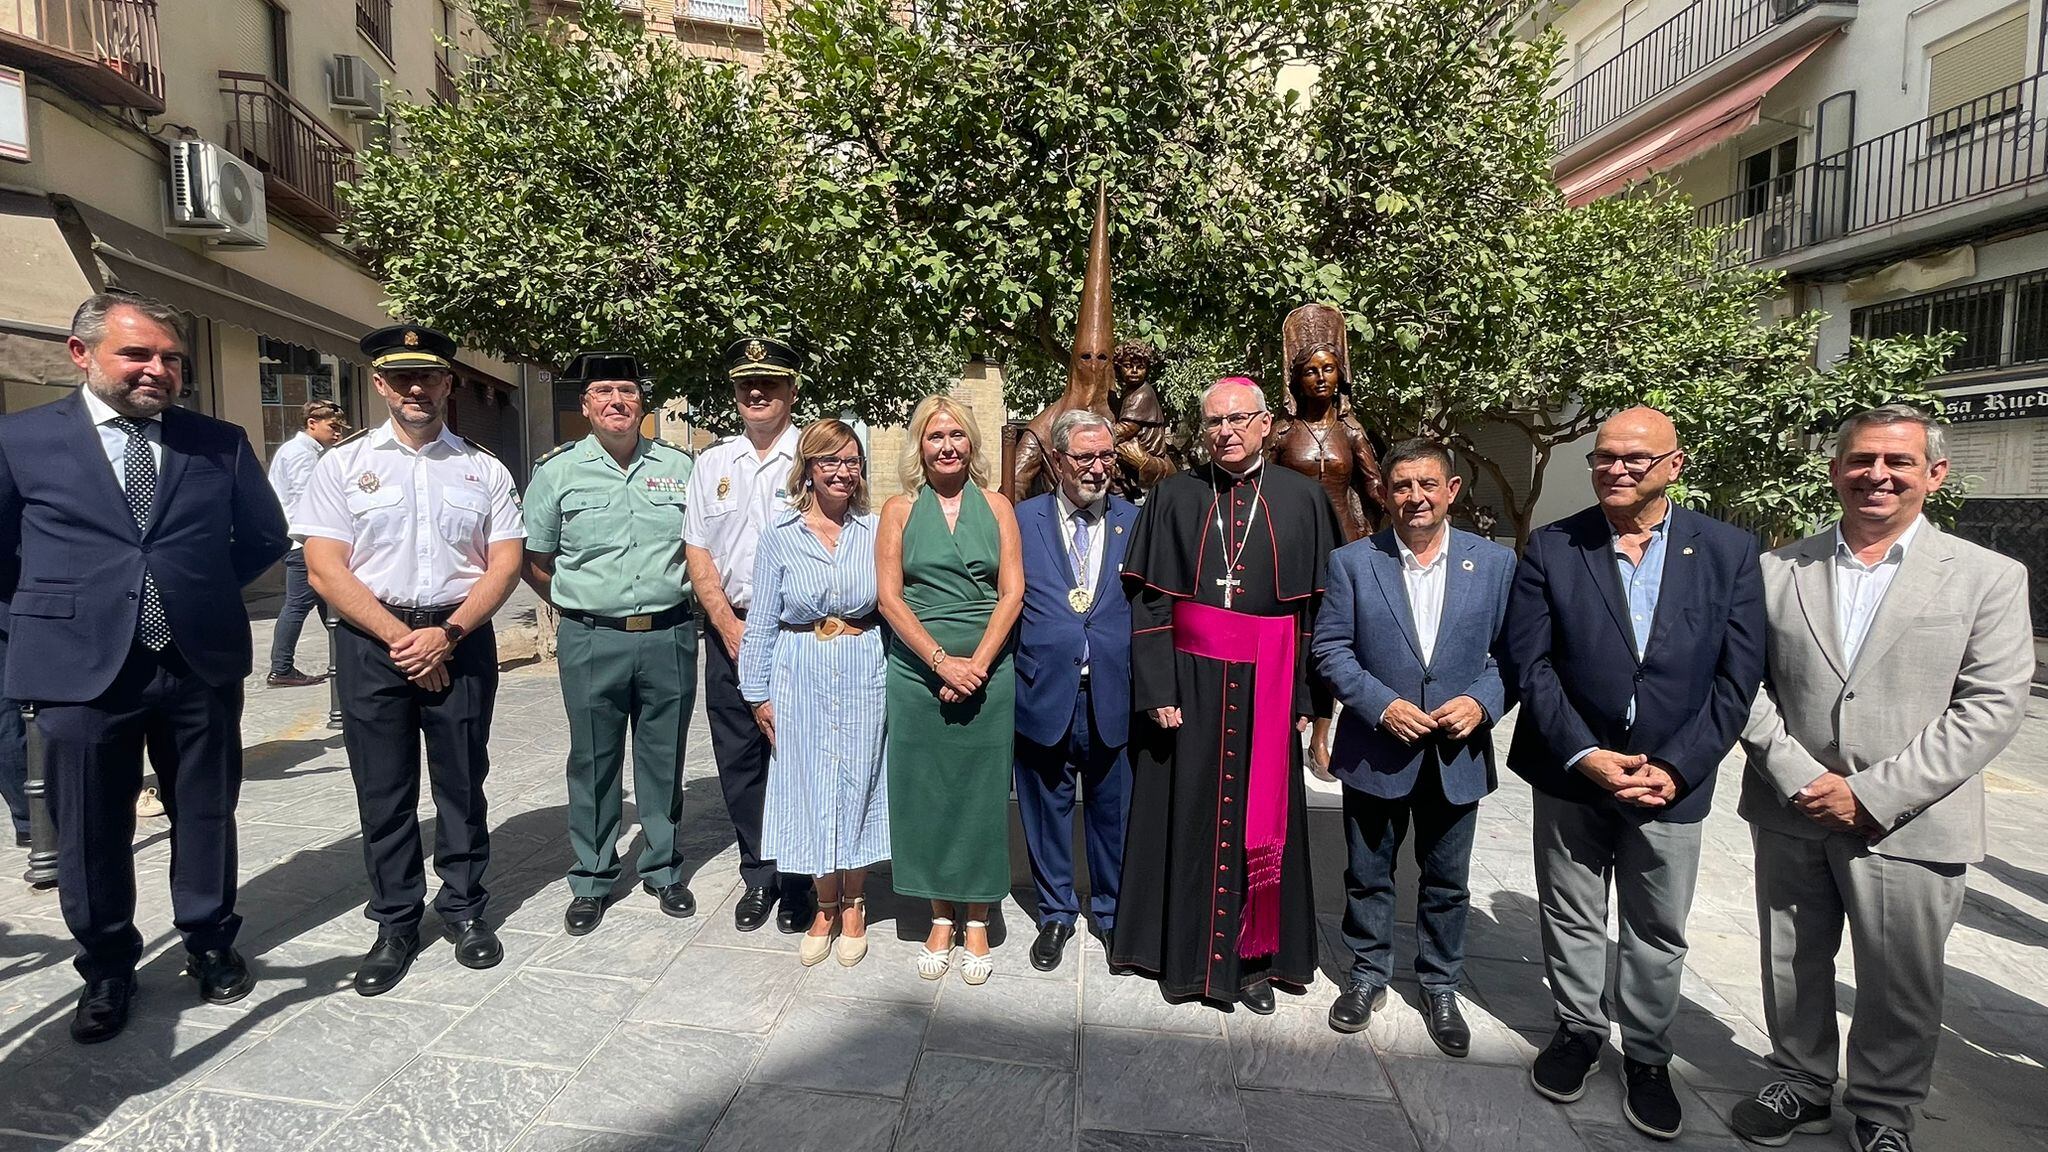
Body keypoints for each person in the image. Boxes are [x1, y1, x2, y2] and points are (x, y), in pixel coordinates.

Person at [1729, 406, 2031, 1152]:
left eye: (1899, 462)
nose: (1878, 475)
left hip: (1914, 818)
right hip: (1794, 806)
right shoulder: (1776, 571)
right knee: (1791, 957)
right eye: (1862, 460)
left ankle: (1883, 1110)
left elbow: (1991, 705)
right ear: (1835, 470)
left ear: (1935, 474)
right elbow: (1742, 685)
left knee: (1900, 977)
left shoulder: (1989, 577)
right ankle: (1800, 1080)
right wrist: (1799, 775)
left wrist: (1871, 793)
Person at [0, 292, 289, 1042]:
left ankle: (209, 939)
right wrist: (55, 611)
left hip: (196, 661)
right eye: (137, 353)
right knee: (90, 826)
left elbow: (264, 536)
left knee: (205, 810)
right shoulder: (20, 439)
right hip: (78, 669)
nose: (157, 369)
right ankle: (106, 966)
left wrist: (196, 589)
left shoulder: (217, 442)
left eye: (171, 358)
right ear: (81, 353)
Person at [1501, 406, 1764, 1140]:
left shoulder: (1729, 551)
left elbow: (1737, 679)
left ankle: (1647, 1055)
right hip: (1573, 769)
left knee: (1657, 926)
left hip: (1669, 780)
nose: (1616, 468)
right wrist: (1584, 753)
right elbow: (1530, 662)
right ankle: (1578, 1031)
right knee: (1571, 911)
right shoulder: (1555, 545)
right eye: (1604, 456)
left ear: (1674, 465)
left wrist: (1678, 767)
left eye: (1635, 458)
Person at [295, 323, 524, 997]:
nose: (415, 389)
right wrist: (404, 638)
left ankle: (464, 908)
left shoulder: (483, 467)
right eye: (401, 377)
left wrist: (446, 634)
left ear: (448, 382)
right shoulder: (342, 465)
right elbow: (324, 567)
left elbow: (505, 561)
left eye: (427, 376)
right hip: (373, 644)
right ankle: (395, 922)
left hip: (460, 637)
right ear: (380, 384)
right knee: (384, 791)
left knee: (462, 783)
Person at [1109, 376, 1342, 1014]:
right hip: (1188, 681)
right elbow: (1151, 602)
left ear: (1266, 424)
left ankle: (1255, 963)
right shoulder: (1174, 495)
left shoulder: (1302, 498)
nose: (1226, 432)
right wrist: (1157, 685)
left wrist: (1308, 699)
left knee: (1260, 822)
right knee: (1185, 812)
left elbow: (1315, 613)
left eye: (1238, 419)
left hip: (1270, 679)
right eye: (1214, 422)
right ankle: (1179, 955)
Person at [1311, 438, 1514, 1048]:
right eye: (1402, 486)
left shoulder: (1495, 563)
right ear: (1384, 493)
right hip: (1377, 748)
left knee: (1447, 880)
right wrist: (1381, 705)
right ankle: (1366, 974)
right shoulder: (1353, 562)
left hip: (1456, 753)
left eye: (1427, 485)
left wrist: (1481, 702)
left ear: (1452, 491)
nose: (1415, 497)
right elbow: (1330, 649)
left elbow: (1515, 654)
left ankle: (1440, 983)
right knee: (1368, 873)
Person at [521, 352, 698, 934]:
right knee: (593, 760)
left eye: (627, 391)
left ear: (643, 403)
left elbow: (702, 549)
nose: (616, 401)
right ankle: (593, 877)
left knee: (664, 757)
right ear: (586, 404)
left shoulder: (680, 467)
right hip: (592, 638)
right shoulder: (558, 472)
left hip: (669, 635)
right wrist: (578, 603)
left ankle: (663, 868)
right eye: (603, 392)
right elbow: (535, 559)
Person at [877, 395, 1023, 985]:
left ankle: (980, 916)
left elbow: (1012, 592)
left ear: (971, 443)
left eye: (957, 435)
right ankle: (939, 914)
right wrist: (941, 663)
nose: (947, 446)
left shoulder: (999, 505)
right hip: (917, 671)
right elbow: (889, 597)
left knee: (982, 794)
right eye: (935, 436)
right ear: (920, 445)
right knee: (927, 793)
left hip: (988, 669)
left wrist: (975, 666)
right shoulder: (898, 510)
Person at [739, 419, 890, 968]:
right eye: (830, 461)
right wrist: (757, 693)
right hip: (799, 668)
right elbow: (761, 621)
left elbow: (893, 605)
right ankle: (824, 905)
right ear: (808, 469)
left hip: (862, 663)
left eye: (852, 461)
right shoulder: (780, 536)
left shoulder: (875, 530)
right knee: (809, 785)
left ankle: (855, 903)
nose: (843, 472)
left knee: (859, 781)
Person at [685, 337, 815, 934]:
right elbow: (698, 551)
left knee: (797, 752)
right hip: (731, 628)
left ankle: (801, 879)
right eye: (745, 384)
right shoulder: (712, 463)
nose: (757, 392)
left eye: (770, 383)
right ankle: (759, 874)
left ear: (792, 390)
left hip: (798, 631)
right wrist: (727, 624)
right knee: (739, 757)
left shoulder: (816, 456)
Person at [1013, 410, 1137, 972]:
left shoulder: (1135, 520)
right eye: (1085, 456)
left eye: (1106, 456)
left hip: (1113, 691)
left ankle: (1110, 914)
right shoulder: (1021, 520)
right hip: (1043, 689)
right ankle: (1056, 913)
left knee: (1114, 813)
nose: (1097, 467)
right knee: (1046, 811)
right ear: (1058, 460)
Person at [1269, 303, 1385, 778]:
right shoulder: (1282, 433)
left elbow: (1374, 485)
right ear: (1297, 380)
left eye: (1328, 369)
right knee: (1288, 639)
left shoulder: (1351, 431)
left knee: (1333, 640)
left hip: (1343, 546)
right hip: (1289, 547)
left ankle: (1321, 736)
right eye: (1311, 371)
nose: (1320, 378)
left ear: (1341, 375)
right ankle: (1282, 724)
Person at [264, 398, 349, 687]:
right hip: (305, 543)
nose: (338, 433)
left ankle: (346, 659)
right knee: (298, 605)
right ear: (312, 424)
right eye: (333, 427)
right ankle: (281, 667)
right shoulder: (301, 454)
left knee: (331, 604)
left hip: (305, 540)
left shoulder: (307, 451)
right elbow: (309, 500)